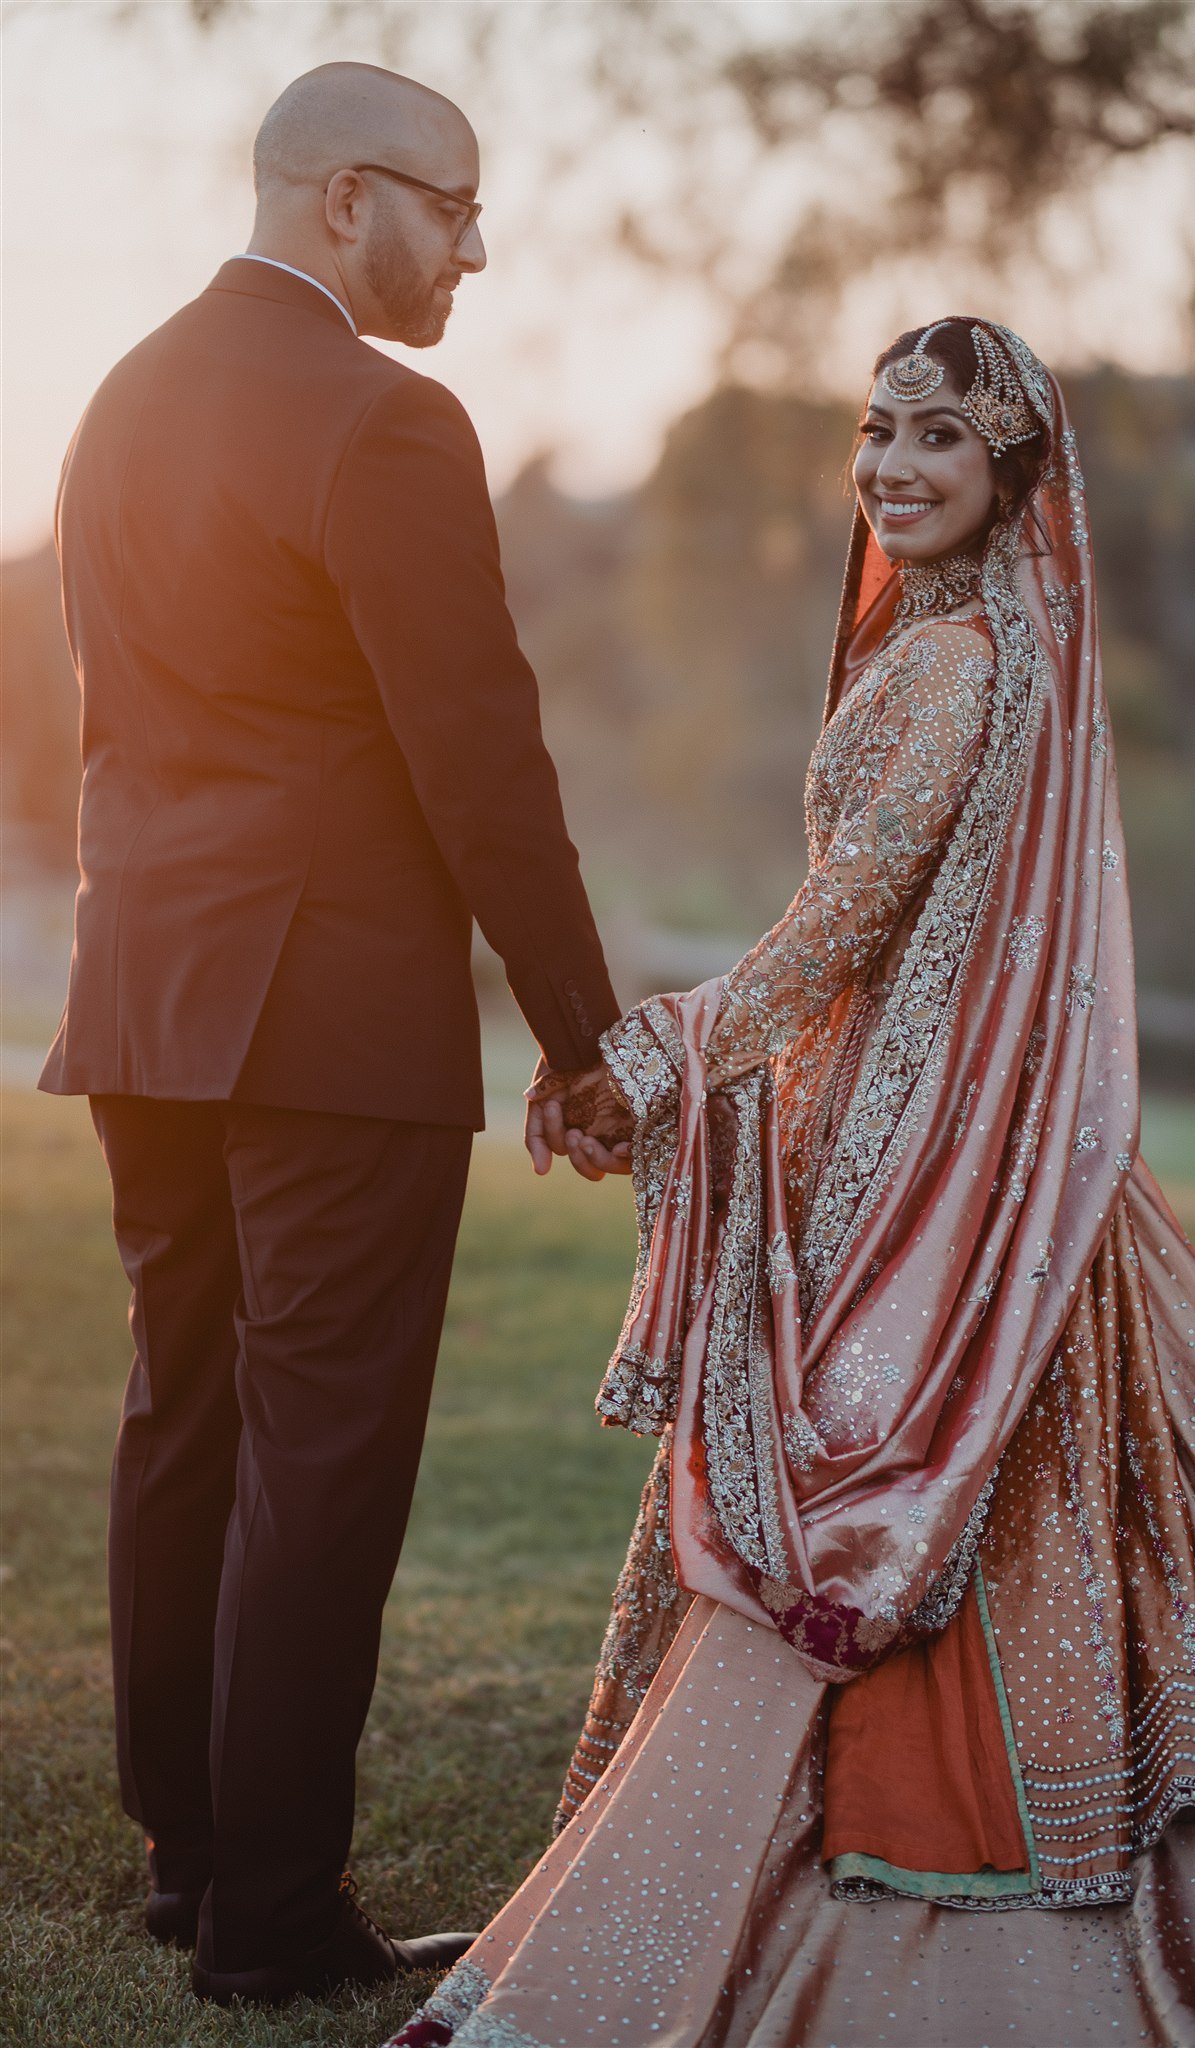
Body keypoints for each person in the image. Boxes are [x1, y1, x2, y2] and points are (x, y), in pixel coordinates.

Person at [389, 319, 1195, 2047]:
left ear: (1011, 476)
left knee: (907, 1485)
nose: (894, 468)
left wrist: (647, 1054)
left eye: (939, 439)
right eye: (877, 431)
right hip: (946, 1147)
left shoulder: (958, 663)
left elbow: (843, 924)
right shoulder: (981, 645)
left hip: (927, 1171)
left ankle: (850, 1911)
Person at [39, 61, 628, 2008]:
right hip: (328, 1015)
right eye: (452, 208)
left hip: (143, 992)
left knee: (181, 1415)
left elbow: (117, 717)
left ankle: (192, 1858)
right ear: (339, 198)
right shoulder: (386, 418)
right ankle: (273, 1916)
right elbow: (476, 749)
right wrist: (579, 1030)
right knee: (317, 1453)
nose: (475, 248)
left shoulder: (114, 396)